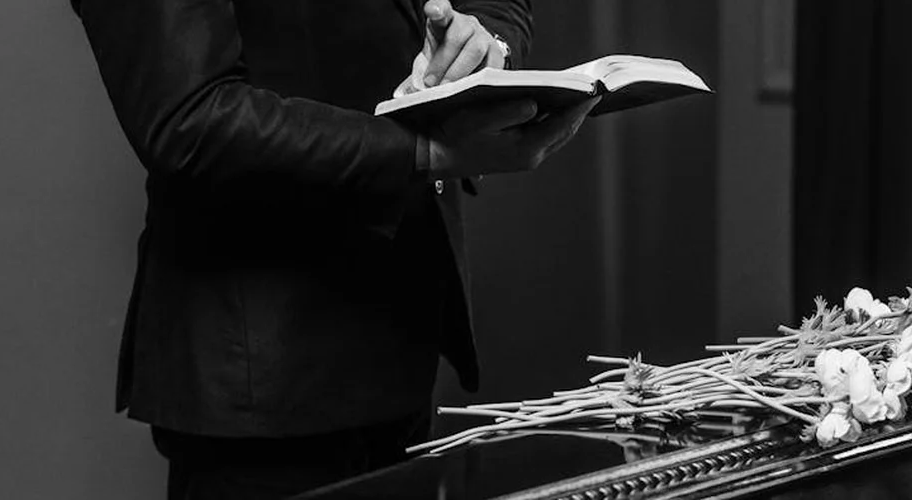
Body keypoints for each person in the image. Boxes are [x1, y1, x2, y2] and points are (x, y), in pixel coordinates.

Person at [72, 0, 598, 498]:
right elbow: (188, 121)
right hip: (259, 399)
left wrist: (488, 46)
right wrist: (425, 153)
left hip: (404, 343)